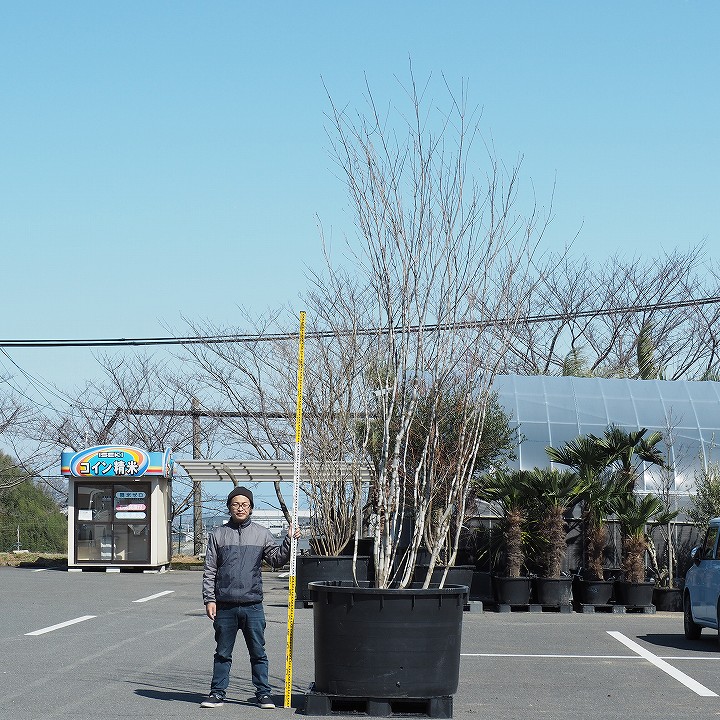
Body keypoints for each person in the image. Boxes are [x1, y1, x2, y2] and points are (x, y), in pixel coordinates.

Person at [200, 486, 299, 709]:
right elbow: (209, 571)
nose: (240, 508)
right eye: (235, 504)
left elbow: (276, 560)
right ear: (229, 507)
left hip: (253, 605)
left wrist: (289, 540)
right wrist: (209, 599)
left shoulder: (262, 533)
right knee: (222, 653)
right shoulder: (218, 535)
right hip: (224, 605)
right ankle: (217, 693)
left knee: (258, 652)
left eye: (245, 504)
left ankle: (263, 694)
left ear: (251, 508)